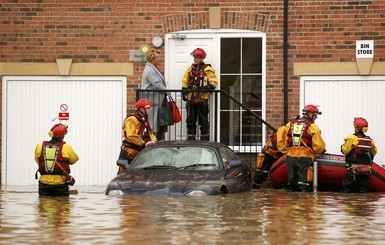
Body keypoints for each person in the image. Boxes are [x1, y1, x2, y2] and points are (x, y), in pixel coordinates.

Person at [277, 104, 326, 192]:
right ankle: (303, 203)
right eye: (315, 115)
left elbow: (281, 135)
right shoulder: (312, 126)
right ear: (310, 114)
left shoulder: (290, 124)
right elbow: (318, 146)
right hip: (304, 156)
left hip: (290, 156)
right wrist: (320, 151)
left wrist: (284, 150)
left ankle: (291, 202)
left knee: (292, 183)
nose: (316, 118)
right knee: (304, 184)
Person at [182, 47, 218, 141]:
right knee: (190, 121)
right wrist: (184, 91)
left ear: (202, 58)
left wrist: (203, 89)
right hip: (191, 99)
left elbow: (214, 83)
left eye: (197, 57)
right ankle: (191, 141)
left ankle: (205, 142)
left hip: (202, 99)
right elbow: (185, 81)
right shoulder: (190, 69)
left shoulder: (208, 69)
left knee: (203, 122)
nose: (195, 59)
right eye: (194, 57)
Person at [34, 123, 79, 197]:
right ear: (62, 135)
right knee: (62, 206)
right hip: (60, 184)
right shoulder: (66, 147)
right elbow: (74, 160)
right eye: (64, 134)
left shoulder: (39, 146)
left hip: (43, 184)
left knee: (43, 206)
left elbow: (38, 161)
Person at [116, 99, 157, 174]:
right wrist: (144, 143)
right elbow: (131, 135)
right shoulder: (132, 120)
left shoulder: (144, 120)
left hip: (139, 153)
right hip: (129, 153)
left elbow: (150, 134)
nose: (150, 109)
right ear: (141, 109)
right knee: (124, 175)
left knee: (140, 175)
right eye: (148, 108)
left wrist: (154, 142)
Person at [341, 117, 377, 193]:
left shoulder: (352, 138)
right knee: (363, 190)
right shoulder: (370, 140)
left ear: (355, 127)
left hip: (353, 169)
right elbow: (374, 152)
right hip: (366, 170)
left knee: (346, 189)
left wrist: (342, 147)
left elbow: (345, 151)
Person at [141, 48, 168, 140]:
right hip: (152, 101)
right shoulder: (150, 70)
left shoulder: (152, 68)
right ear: (152, 59)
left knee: (155, 123)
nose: (159, 59)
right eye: (157, 57)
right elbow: (156, 84)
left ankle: (155, 139)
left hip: (154, 101)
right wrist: (166, 90)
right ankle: (152, 141)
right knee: (153, 124)